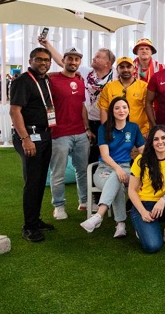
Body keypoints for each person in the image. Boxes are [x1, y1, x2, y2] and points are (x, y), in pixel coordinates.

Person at [39, 37, 117, 163]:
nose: (93, 58)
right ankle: (90, 180)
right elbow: (63, 62)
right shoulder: (86, 72)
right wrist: (47, 45)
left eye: (98, 57)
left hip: (107, 121)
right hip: (88, 121)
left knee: (108, 152)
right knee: (90, 156)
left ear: (107, 63)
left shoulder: (116, 75)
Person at [80, 97, 145, 237]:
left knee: (118, 178)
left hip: (126, 168)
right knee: (117, 182)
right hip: (104, 169)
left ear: (128, 110)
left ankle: (99, 216)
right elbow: (105, 155)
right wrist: (117, 169)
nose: (121, 110)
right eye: (117, 108)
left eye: (124, 107)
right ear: (112, 111)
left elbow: (142, 150)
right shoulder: (104, 128)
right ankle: (120, 224)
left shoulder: (133, 128)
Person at [9, 47, 55, 242]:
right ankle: (29, 226)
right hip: (30, 136)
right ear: (30, 60)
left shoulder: (45, 80)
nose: (43, 63)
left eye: (46, 60)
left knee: (40, 180)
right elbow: (14, 111)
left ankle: (35, 220)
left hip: (44, 135)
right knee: (33, 182)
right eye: (39, 60)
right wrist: (25, 139)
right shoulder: (22, 81)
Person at [48, 48, 92, 220]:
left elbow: (82, 106)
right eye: (70, 59)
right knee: (57, 172)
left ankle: (84, 201)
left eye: (77, 59)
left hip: (80, 133)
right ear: (64, 60)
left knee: (82, 170)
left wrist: (87, 128)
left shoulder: (80, 81)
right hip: (59, 133)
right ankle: (58, 205)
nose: (73, 62)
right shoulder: (52, 79)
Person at [98, 56, 150, 138]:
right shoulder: (109, 87)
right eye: (122, 67)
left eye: (128, 67)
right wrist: (106, 131)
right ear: (117, 70)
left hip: (139, 133)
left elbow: (149, 108)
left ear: (134, 69)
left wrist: (147, 130)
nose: (125, 70)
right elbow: (103, 109)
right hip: (115, 134)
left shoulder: (143, 87)